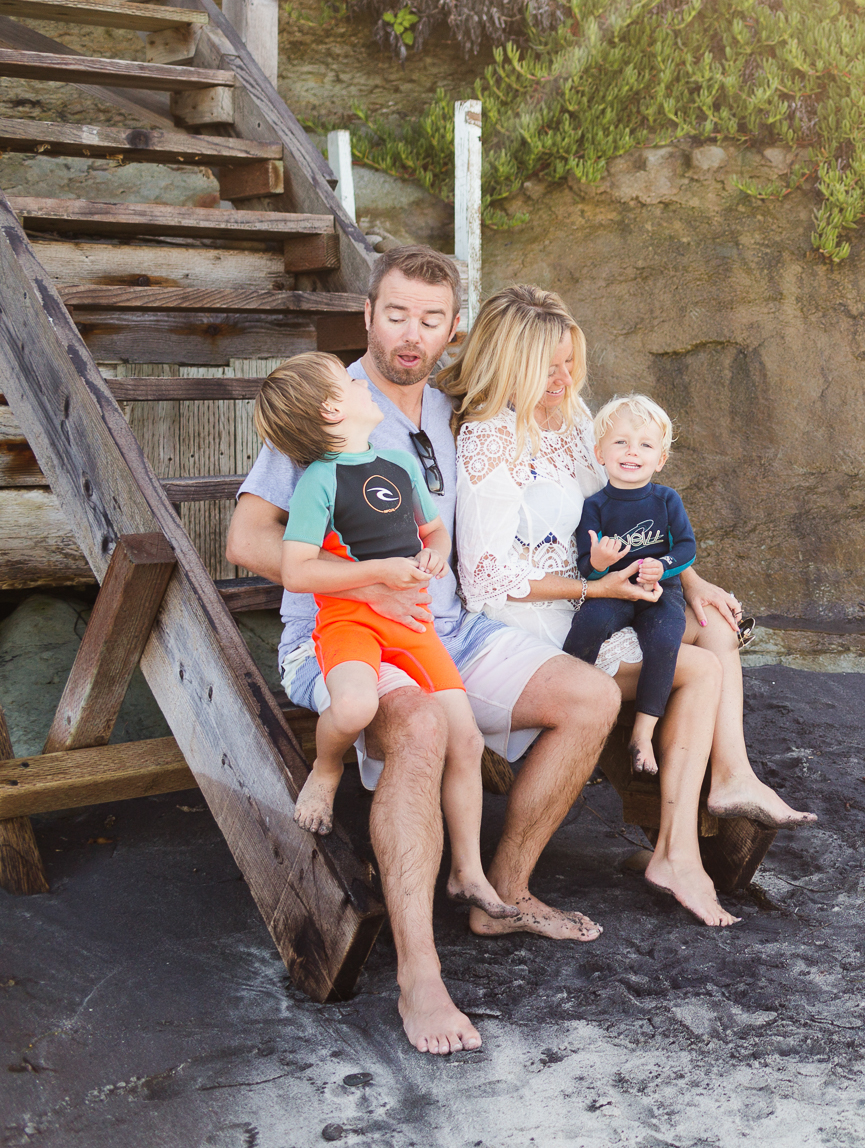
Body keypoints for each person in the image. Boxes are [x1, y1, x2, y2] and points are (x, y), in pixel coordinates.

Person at [228, 246, 641, 1058]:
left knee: (592, 697)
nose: (409, 335)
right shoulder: (330, 404)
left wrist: (684, 582)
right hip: (340, 638)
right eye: (394, 314)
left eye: (429, 319)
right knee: (417, 726)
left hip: (448, 630)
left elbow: (587, 481)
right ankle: (420, 970)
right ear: (369, 315)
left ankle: (500, 889)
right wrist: (357, 576)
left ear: (453, 329)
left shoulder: (458, 412)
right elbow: (245, 537)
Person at [441, 288, 816, 843]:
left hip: (601, 591)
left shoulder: (571, 418)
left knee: (714, 625)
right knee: (699, 667)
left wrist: (689, 579)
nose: (565, 380)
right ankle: (677, 843)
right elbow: (486, 579)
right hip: (536, 616)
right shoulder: (489, 437)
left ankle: (731, 778)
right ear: (509, 362)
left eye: (570, 363)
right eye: (548, 368)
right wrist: (596, 591)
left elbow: (629, 508)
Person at [250, 351, 516, 927]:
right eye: (346, 383)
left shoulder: (398, 463)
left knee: (464, 740)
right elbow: (297, 571)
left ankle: (468, 871)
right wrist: (375, 577)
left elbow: (433, 529)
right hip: (348, 622)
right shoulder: (318, 480)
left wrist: (434, 556)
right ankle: (326, 769)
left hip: (413, 623)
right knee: (354, 705)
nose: (359, 382)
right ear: (331, 409)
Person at [565, 394, 695, 778]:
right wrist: (600, 564)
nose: (632, 452)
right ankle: (573, 703)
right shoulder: (596, 506)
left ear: (661, 459)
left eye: (645, 444)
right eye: (620, 441)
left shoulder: (666, 500)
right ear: (599, 452)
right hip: (614, 590)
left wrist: (663, 564)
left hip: (659, 592)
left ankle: (643, 732)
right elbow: (586, 568)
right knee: (588, 624)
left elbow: (686, 548)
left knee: (665, 641)